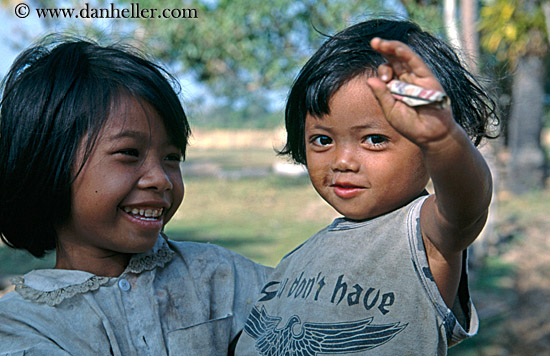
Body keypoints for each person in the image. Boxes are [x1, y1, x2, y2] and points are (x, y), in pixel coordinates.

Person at [235, 18, 498, 355]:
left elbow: (467, 204)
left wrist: (444, 136)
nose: (343, 160)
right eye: (322, 139)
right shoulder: (296, 258)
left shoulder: (424, 235)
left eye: (374, 139)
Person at [0, 36, 270, 356]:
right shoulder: (24, 325)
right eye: (129, 152)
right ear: (48, 166)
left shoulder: (222, 275)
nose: (161, 179)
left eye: (171, 157)